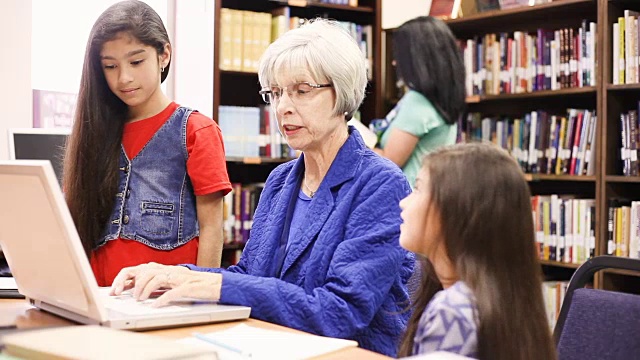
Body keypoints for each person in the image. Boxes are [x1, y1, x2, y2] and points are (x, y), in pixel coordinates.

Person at [110, 18, 414, 356]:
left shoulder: (380, 185)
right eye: (276, 93)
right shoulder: (281, 181)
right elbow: (250, 275)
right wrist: (177, 276)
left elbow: (339, 313)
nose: (283, 106)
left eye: (301, 91)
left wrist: (218, 284)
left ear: (342, 93)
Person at [62, 0, 231, 286]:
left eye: (136, 61)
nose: (123, 78)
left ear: (164, 55)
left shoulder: (196, 131)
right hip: (99, 298)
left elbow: (212, 229)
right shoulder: (93, 133)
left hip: (164, 302)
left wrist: (200, 299)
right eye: (110, 66)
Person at [396, 142, 557, 359]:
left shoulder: (452, 310)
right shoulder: (506, 297)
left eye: (417, 189)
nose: (404, 202)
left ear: (454, 212)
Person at [373, 16, 466, 187]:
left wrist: (353, 144)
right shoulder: (442, 99)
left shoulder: (418, 102)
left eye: (399, 55)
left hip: (403, 198)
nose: (394, 62)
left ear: (417, 58)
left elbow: (388, 162)